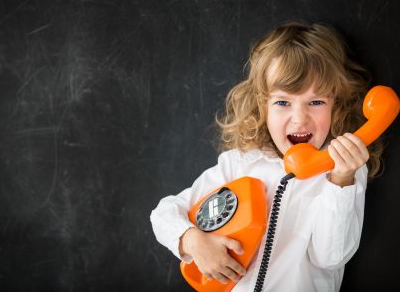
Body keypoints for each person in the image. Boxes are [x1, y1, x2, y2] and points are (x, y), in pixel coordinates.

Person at [150, 21, 383, 292]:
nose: (299, 119)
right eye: (283, 102)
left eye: (316, 102)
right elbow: (163, 214)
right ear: (263, 106)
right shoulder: (240, 163)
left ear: (336, 106)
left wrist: (341, 180)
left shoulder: (345, 169)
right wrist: (192, 240)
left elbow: (331, 257)